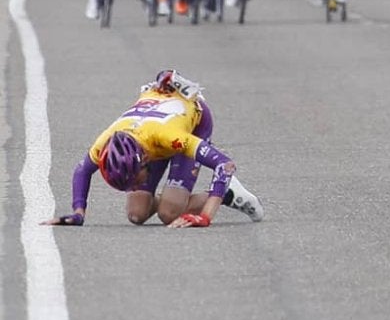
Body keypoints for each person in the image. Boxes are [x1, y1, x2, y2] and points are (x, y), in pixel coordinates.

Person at [43, 70, 263, 229]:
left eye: (134, 180)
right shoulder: (105, 143)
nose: (134, 186)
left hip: (191, 124)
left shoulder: (170, 137)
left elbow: (224, 165)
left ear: (144, 160)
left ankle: (228, 193)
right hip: (152, 128)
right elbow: (82, 171)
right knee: (136, 213)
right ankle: (174, 198)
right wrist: (78, 213)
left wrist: (205, 216)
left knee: (169, 213)